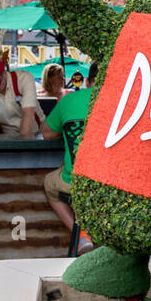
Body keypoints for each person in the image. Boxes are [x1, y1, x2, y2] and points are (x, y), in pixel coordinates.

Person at [42, 62, 95, 254]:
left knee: (49, 182)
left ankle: (82, 235)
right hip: (114, 186)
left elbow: (47, 133)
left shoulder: (68, 100)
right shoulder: (123, 101)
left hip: (74, 183)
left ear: (88, 81)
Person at [0, 48, 44, 137]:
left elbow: (28, 115)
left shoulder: (24, 79)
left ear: (4, 73)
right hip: (4, 137)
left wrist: (25, 148)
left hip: (36, 132)